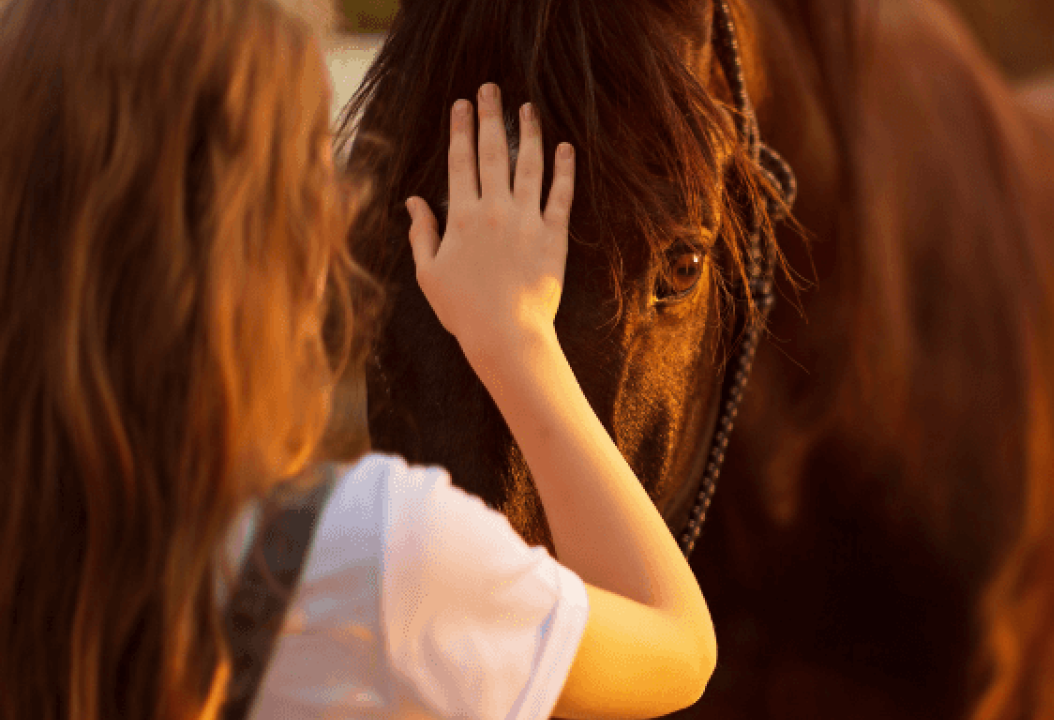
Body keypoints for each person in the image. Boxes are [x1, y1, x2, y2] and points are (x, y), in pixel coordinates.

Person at [0, 0, 714, 718]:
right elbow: (678, 648)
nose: (339, 207)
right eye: (314, 171)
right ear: (263, 240)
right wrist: (516, 339)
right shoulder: (370, 563)